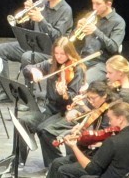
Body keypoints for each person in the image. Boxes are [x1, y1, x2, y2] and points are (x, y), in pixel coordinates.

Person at [0, 0, 73, 101]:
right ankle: (4, 90)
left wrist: (41, 20)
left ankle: (29, 96)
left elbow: (58, 36)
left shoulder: (66, 10)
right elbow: (29, 27)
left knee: (27, 56)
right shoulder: (42, 4)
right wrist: (28, 16)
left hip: (50, 50)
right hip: (33, 45)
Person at [21, 37, 87, 167]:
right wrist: (33, 70)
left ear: (70, 53)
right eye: (56, 53)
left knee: (43, 130)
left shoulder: (77, 69)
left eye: (63, 54)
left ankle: (55, 164)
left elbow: (72, 99)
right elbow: (27, 69)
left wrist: (64, 93)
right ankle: (19, 161)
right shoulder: (52, 64)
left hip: (65, 113)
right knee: (23, 121)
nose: (59, 57)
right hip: (50, 110)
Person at [52, 102, 129, 178]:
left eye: (110, 119)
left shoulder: (113, 141)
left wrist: (74, 146)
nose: (109, 123)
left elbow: (92, 169)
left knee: (65, 171)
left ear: (120, 119)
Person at [44, 81, 116, 177]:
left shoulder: (110, 114)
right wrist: (80, 128)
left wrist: (83, 137)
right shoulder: (100, 109)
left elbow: (108, 136)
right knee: (56, 162)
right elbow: (93, 121)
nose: (91, 101)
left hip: (98, 157)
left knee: (63, 170)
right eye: (89, 98)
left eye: (93, 98)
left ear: (104, 96)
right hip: (91, 152)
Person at [74, 0, 126, 84]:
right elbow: (75, 41)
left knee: (83, 81)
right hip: (84, 59)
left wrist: (95, 31)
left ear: (108, 4)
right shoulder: (91, 16)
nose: (94, 7)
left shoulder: (118, 22)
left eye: (98, 4)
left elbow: (114, 47)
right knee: (64, 74)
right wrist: (77, 29)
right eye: (93, 3)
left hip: (103, 63)